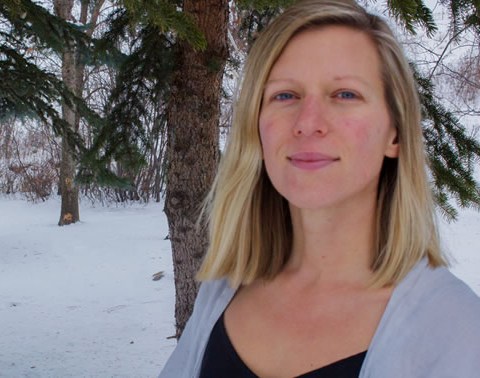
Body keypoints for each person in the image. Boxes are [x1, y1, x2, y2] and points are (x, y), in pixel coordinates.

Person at [159, 0, 480, 377]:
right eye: (285, 95)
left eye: (345, 94)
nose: (308, 122)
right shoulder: (222, 294)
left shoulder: (455, 331)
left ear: (395, 132)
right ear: (256, 126)